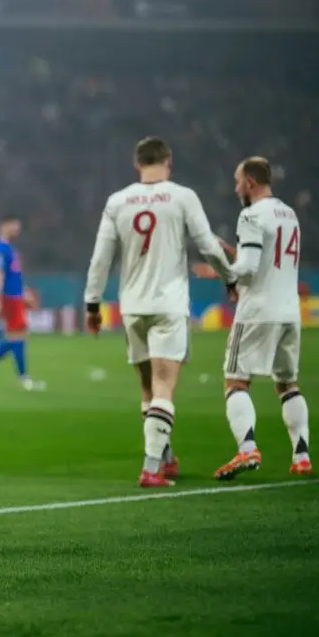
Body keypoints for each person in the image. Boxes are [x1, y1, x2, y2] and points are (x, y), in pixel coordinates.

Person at [83, 137, 233, 487]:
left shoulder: (118, 201)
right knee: (165, 385)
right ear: (169, 161)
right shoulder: (182, 196)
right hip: (168, 305)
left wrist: (92, 305)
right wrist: (230, 278)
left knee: (148, 389)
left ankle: (164, 457)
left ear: (137, 164)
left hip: (133, 307)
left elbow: (100, 259)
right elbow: (208, 245)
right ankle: (151, 468)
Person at [193, 157, 312, 479]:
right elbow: (269, 259)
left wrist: (219, 266)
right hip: (290, 311)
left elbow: (247, 268)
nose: (235, 188)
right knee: (288, 384)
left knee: (235, 381)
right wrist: (236, 252)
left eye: (237, 181)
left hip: (259, 309)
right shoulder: (289, 215)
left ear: (250, 182)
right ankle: (301, 456)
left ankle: (247, 450)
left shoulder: (251, 214)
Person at [0, 217, 45, 390]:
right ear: (3, 226)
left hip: (15, 297)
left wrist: (25, 293)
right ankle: (22, 378)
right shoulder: (1, 250)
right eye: (14, 225)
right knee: (18, 336)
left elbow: (14, 277)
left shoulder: (10, 250)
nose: (17, 229)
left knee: (16, 337)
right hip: (9, 299)